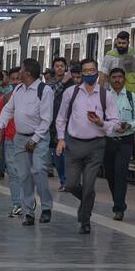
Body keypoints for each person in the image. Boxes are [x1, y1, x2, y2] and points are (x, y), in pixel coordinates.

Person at [56, 59, 121, 234]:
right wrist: (61, 139)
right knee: (70, 184)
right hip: (74, 145)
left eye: (92, 70)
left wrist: (101, 123)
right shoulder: (71, 93)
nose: (89, 74)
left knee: (89, 185)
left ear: (97, 72)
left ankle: (85, 221)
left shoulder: (105, 95)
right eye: (86, 71)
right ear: (81, 73)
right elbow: (61, 117)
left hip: (96, 146)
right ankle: (86, 201)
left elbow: (115, 122)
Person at [0, 59, 54, 227]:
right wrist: (0, 126)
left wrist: (35, 140)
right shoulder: (19, 90)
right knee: (24, 175)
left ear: (27, 73)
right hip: (20, 137)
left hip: (39, 137)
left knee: (38, 170)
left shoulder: (45, 91)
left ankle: (46, 207)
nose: (18, 72)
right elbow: (8, 109)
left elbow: (46, 119)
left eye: (21, 69)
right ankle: (28, 211)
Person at [104, 67, 135, 221]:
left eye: (120, 77)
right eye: (114, 77)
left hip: (125, 141)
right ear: (109, 80)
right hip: (108, 140)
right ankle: (117, 201)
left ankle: (119, 208)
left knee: (120, 174)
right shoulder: (103, 97)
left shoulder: (132, 98)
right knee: (110, 174)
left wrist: (130, 125)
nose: (117, 80)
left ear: (124, 79)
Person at [49, 56, 75, 191]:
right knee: (57, 156)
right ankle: (63, 179)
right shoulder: (50, 84)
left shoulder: (73, 84)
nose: (59, 68)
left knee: (66, 154)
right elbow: (50, 96)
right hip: (53, 125)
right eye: (57, 65)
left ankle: (67, 182)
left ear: (66, 68)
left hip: (69, 124)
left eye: (62, 65)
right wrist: (62, 82)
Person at [99, 31, 135, 98]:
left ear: (128, 43)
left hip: (133, 94)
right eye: (119, 43)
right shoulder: (110, 56)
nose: (121, 45)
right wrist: (99, 94)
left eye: (123, 43)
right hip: (114, 94)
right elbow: (102, 76)